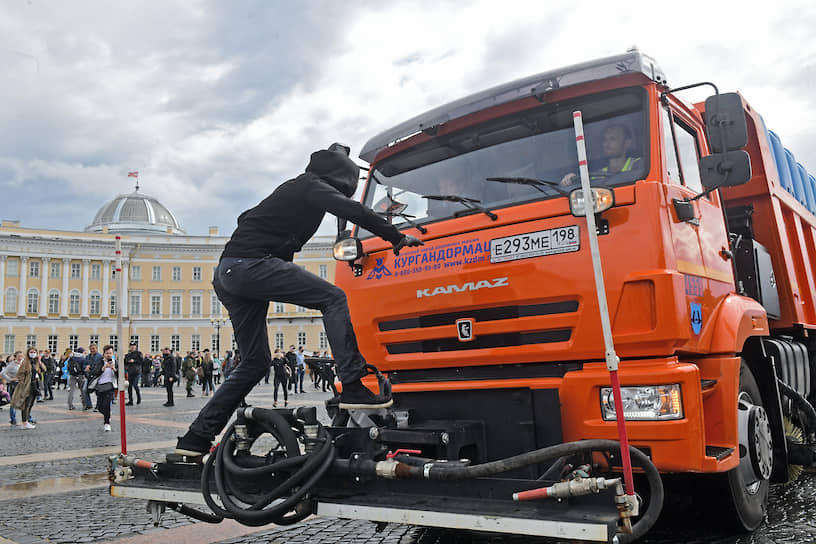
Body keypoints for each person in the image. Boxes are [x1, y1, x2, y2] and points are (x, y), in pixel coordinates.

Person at [174, 144, 423, 456]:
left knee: (255, 363)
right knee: (332, 298)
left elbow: (244, 217)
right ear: (342, 180)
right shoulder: (311, 186)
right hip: (252, 265)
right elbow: (354, 211)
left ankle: (196, 438)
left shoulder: (295, 187)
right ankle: (354, 384)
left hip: (228, 273)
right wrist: (396, 237)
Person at [561, 123, 641, 187]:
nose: (606, 144)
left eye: (612, 139)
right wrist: (572, 181)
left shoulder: (639, 166)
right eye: (604, 139)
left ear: (627, 143)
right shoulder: (596, 176)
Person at [10, 348, 41, 429]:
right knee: (26, 404)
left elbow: (44, 369)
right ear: (28, 353)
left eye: (34, 352)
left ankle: (27, 420)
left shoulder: (36, 362)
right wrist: (23, 382)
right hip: (28, 385)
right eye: (31, 352)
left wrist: (39, 361)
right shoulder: (25, 362)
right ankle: (25, 422)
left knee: (31, 404)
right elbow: (20, 374)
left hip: (36, 384)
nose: (33, 353)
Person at [90, 345, 117, 432]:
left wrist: (114, 369)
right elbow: (94, 372)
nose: (109, 355)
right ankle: (107, 414)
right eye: (107, 353)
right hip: (100, 386)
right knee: (100, 407)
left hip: (110, 386)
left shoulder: (115, 362)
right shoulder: (100, 362)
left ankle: (107, 423)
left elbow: (120, 375)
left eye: (110, 353)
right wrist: (103, 368)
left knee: (106, 404)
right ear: (104, 354)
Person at [0, 351, 22, 425]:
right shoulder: (11, 365)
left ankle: (28, 418)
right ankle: (13, 419)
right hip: (14, 384)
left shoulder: (22, 363)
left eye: (21, 356)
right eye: (19, 356)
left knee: (25, 401)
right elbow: (2, 373)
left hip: (22, 384)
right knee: (13, 402)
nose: (20, 357)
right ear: (15, 357)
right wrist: (10, 379)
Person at [85, 344, 103, 410]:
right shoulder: (88, 356)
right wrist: (86, 366)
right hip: (88, 376)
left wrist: (90, 367)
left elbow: (97, 366)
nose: (92, 350)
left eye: (93, 349)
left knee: (97, 391)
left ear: (96, 349)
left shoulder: (99, 357)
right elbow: (85, 364)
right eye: (91, 349)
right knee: (85, 390)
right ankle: (89, 405)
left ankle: (98, 406)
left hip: (96, 376)